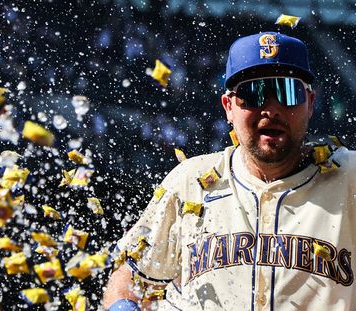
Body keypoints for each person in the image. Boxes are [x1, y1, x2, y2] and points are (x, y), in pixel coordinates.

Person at [103, 32, 356, 310]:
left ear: (310, 103)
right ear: (228, 107)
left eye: (287, 91)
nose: (271, 109)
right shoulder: (191, 181)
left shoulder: (350, 177)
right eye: (253, 94)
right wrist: (122, 305)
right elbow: (131, 278)